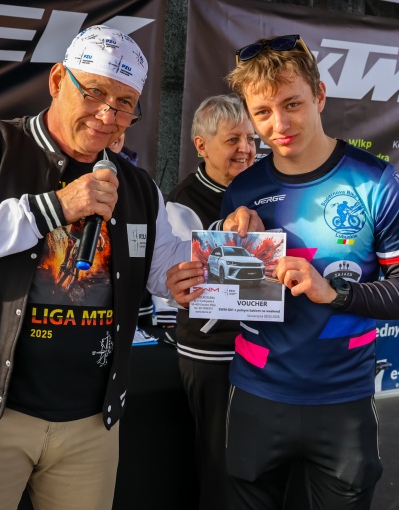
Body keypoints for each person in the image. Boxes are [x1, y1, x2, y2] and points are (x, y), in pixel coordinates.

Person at [0, 25, 258, 510]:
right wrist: (54, 207)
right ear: (57, 81)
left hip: (91, 422)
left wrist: (235, 244)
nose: (107, 115)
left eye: (124, 104)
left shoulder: (136, 185)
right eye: (94, 93)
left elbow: (166, 266)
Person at [166, 34, 399, 509]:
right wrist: (197, 285)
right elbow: (234, 302)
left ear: (320, 96)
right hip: (255, 398)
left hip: (342, 402)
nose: (279, 124)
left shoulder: (374, 180)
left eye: (292, 104)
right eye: (263, 112)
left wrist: (336, 293)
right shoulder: (243, 189)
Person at [166, 94, 256, 509]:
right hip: (213, 351)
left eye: (251, 139)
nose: (246, 149)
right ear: (201, 146)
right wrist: (230, 233)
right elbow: (190, 278)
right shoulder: (182, 200)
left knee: (255, 460)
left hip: (260, 347)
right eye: (233, 139)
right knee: (221, 461)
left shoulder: (262, 187)